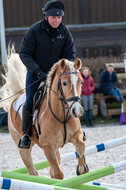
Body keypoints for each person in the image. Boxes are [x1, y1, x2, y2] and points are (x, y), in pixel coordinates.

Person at [18, 0, 76, 149]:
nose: (56, 20)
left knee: (72, 95)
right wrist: (38, 71)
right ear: (46, 16)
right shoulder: (35, 30)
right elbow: (24, 53)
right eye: (53, 17)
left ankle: (76, 130)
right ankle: (26, 134)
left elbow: (70, 55)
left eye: (59, 18)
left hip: (58, 75)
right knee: (30, 100)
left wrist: (65, 71)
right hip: (37, 73)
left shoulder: (65, 32)